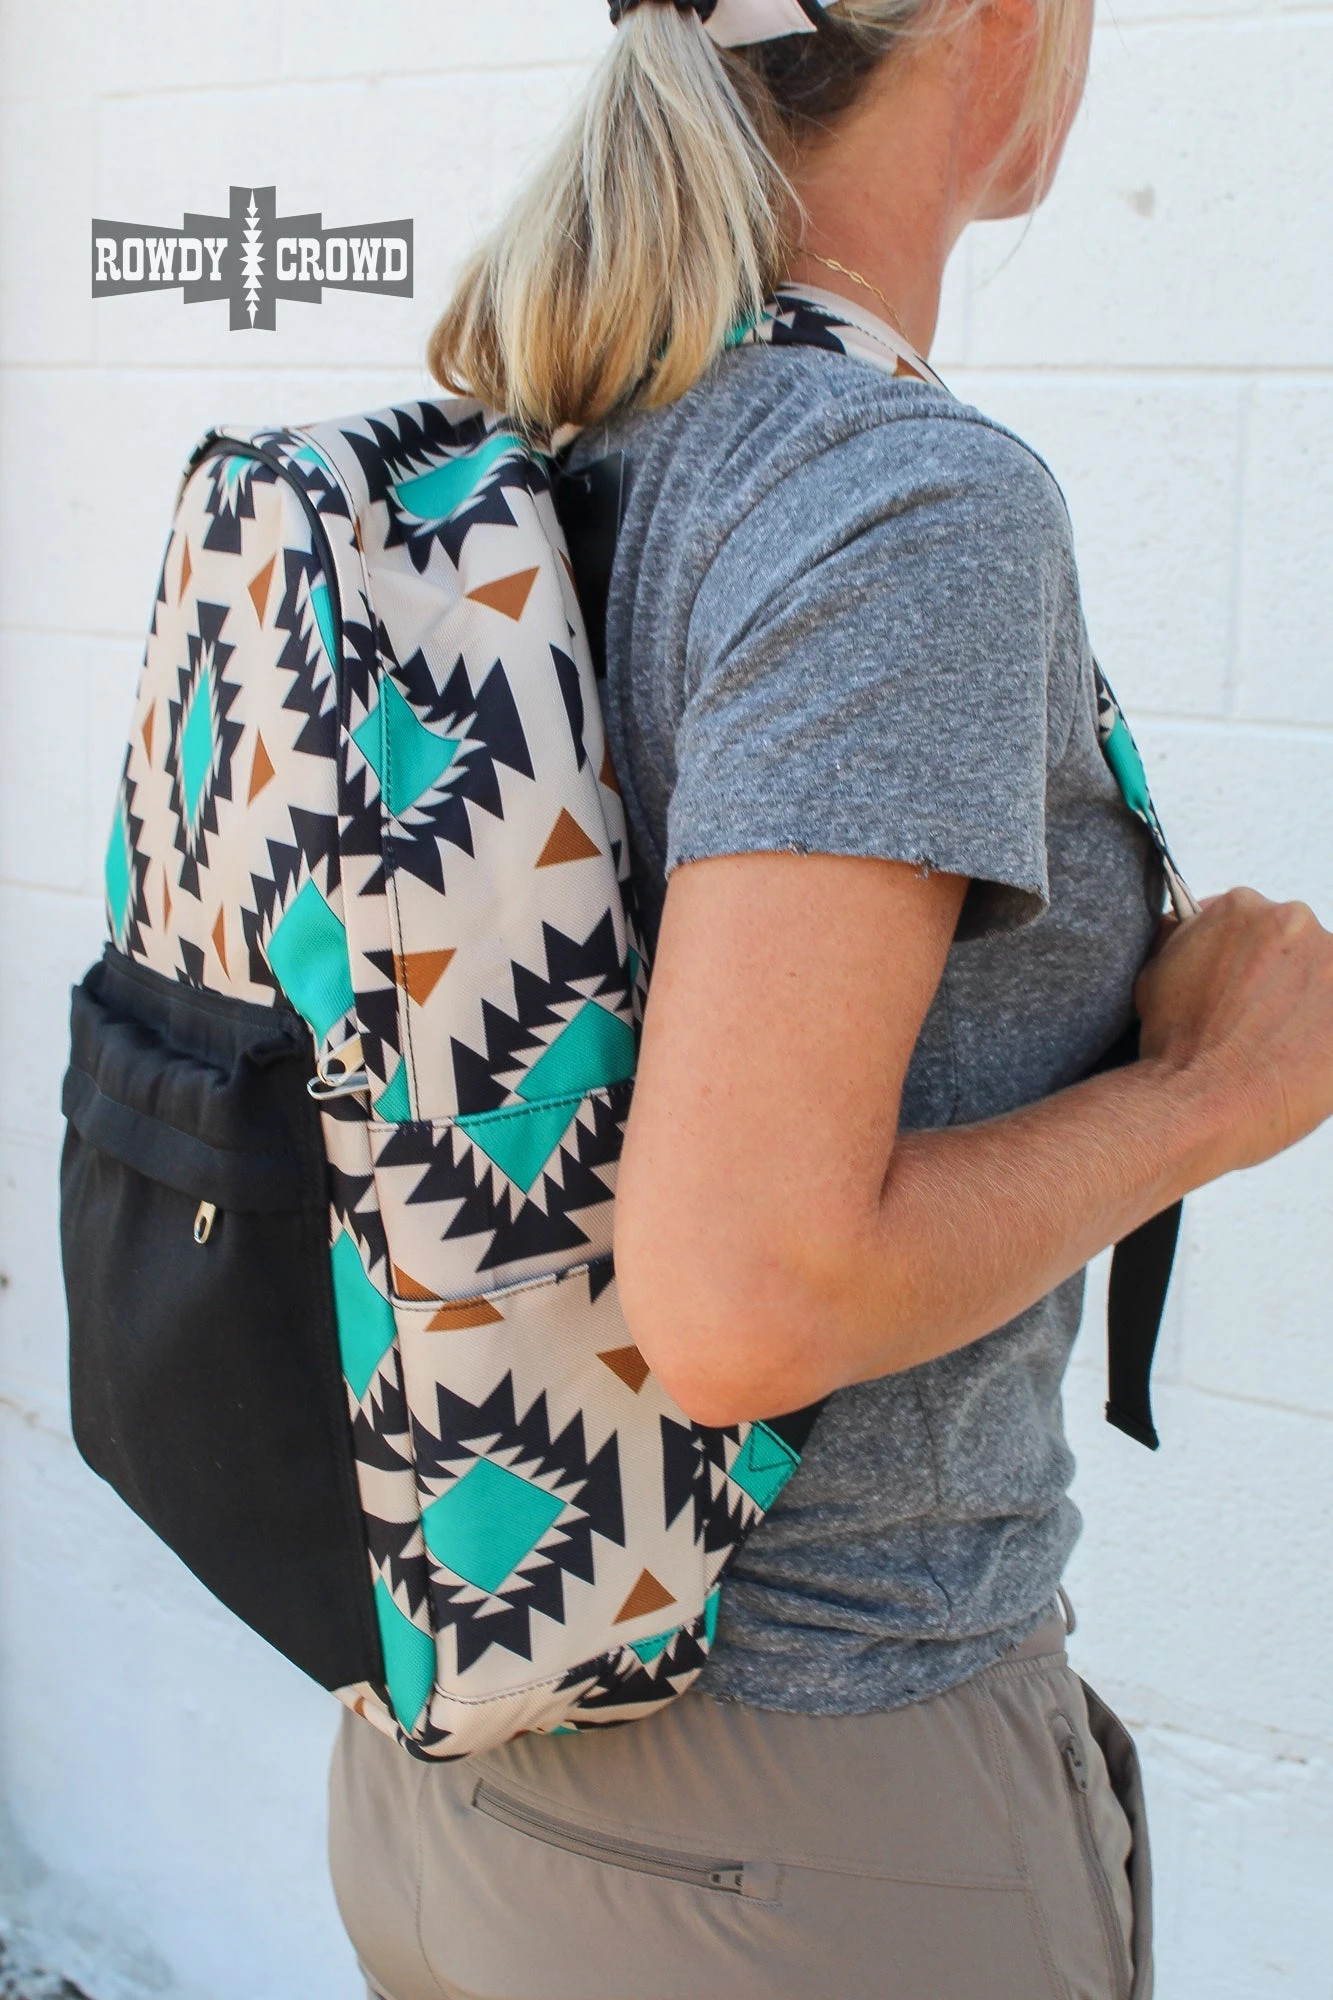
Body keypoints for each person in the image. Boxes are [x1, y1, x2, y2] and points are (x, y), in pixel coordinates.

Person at [327, 2, 1333, 1995]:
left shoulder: (523, 451)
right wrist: (1215, 1095)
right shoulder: (898, 496)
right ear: (1002, 27)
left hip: (441, 1750)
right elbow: (749, 1296)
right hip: (798, 1823)